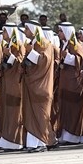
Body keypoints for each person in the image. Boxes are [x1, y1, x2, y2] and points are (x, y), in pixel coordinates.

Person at [22, 20, 57, 152]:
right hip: (32, 85)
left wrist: (31, 52)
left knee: (41, 116)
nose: (25, 32)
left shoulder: (45, 43)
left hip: (41, 86)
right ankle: (34, 143)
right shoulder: (34, 44)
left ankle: (42, 143)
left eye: (27, 29)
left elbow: (44, 61)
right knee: (32, 115)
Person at [57, 22, 83, 144]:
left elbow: (80, 59)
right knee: (65, 108)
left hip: (74, 82)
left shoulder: (76, 45)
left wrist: (67, 56)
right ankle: (66, 135)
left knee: (73, 109)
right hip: (65, 82)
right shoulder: (65, 45)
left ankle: (74, 136)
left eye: (61, 31)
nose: (59, 33)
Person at [0, 23, 25, 150]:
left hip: (15, 83)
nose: (3, 34)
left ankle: (17, 140)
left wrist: (10, 54)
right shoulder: (6, 45)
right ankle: (8, 140)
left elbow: (21, 61)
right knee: (8, 111)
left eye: (4, 31)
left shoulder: (18, 44)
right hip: (7, 82)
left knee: (16, 112)